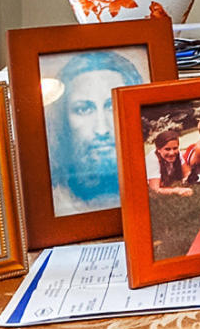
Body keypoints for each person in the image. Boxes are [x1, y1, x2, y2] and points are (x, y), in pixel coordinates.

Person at [47, 49, 147, 215]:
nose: (102, 129)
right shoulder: (55, 205)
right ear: (64, 119)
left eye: (112, 106)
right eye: (84, 109)